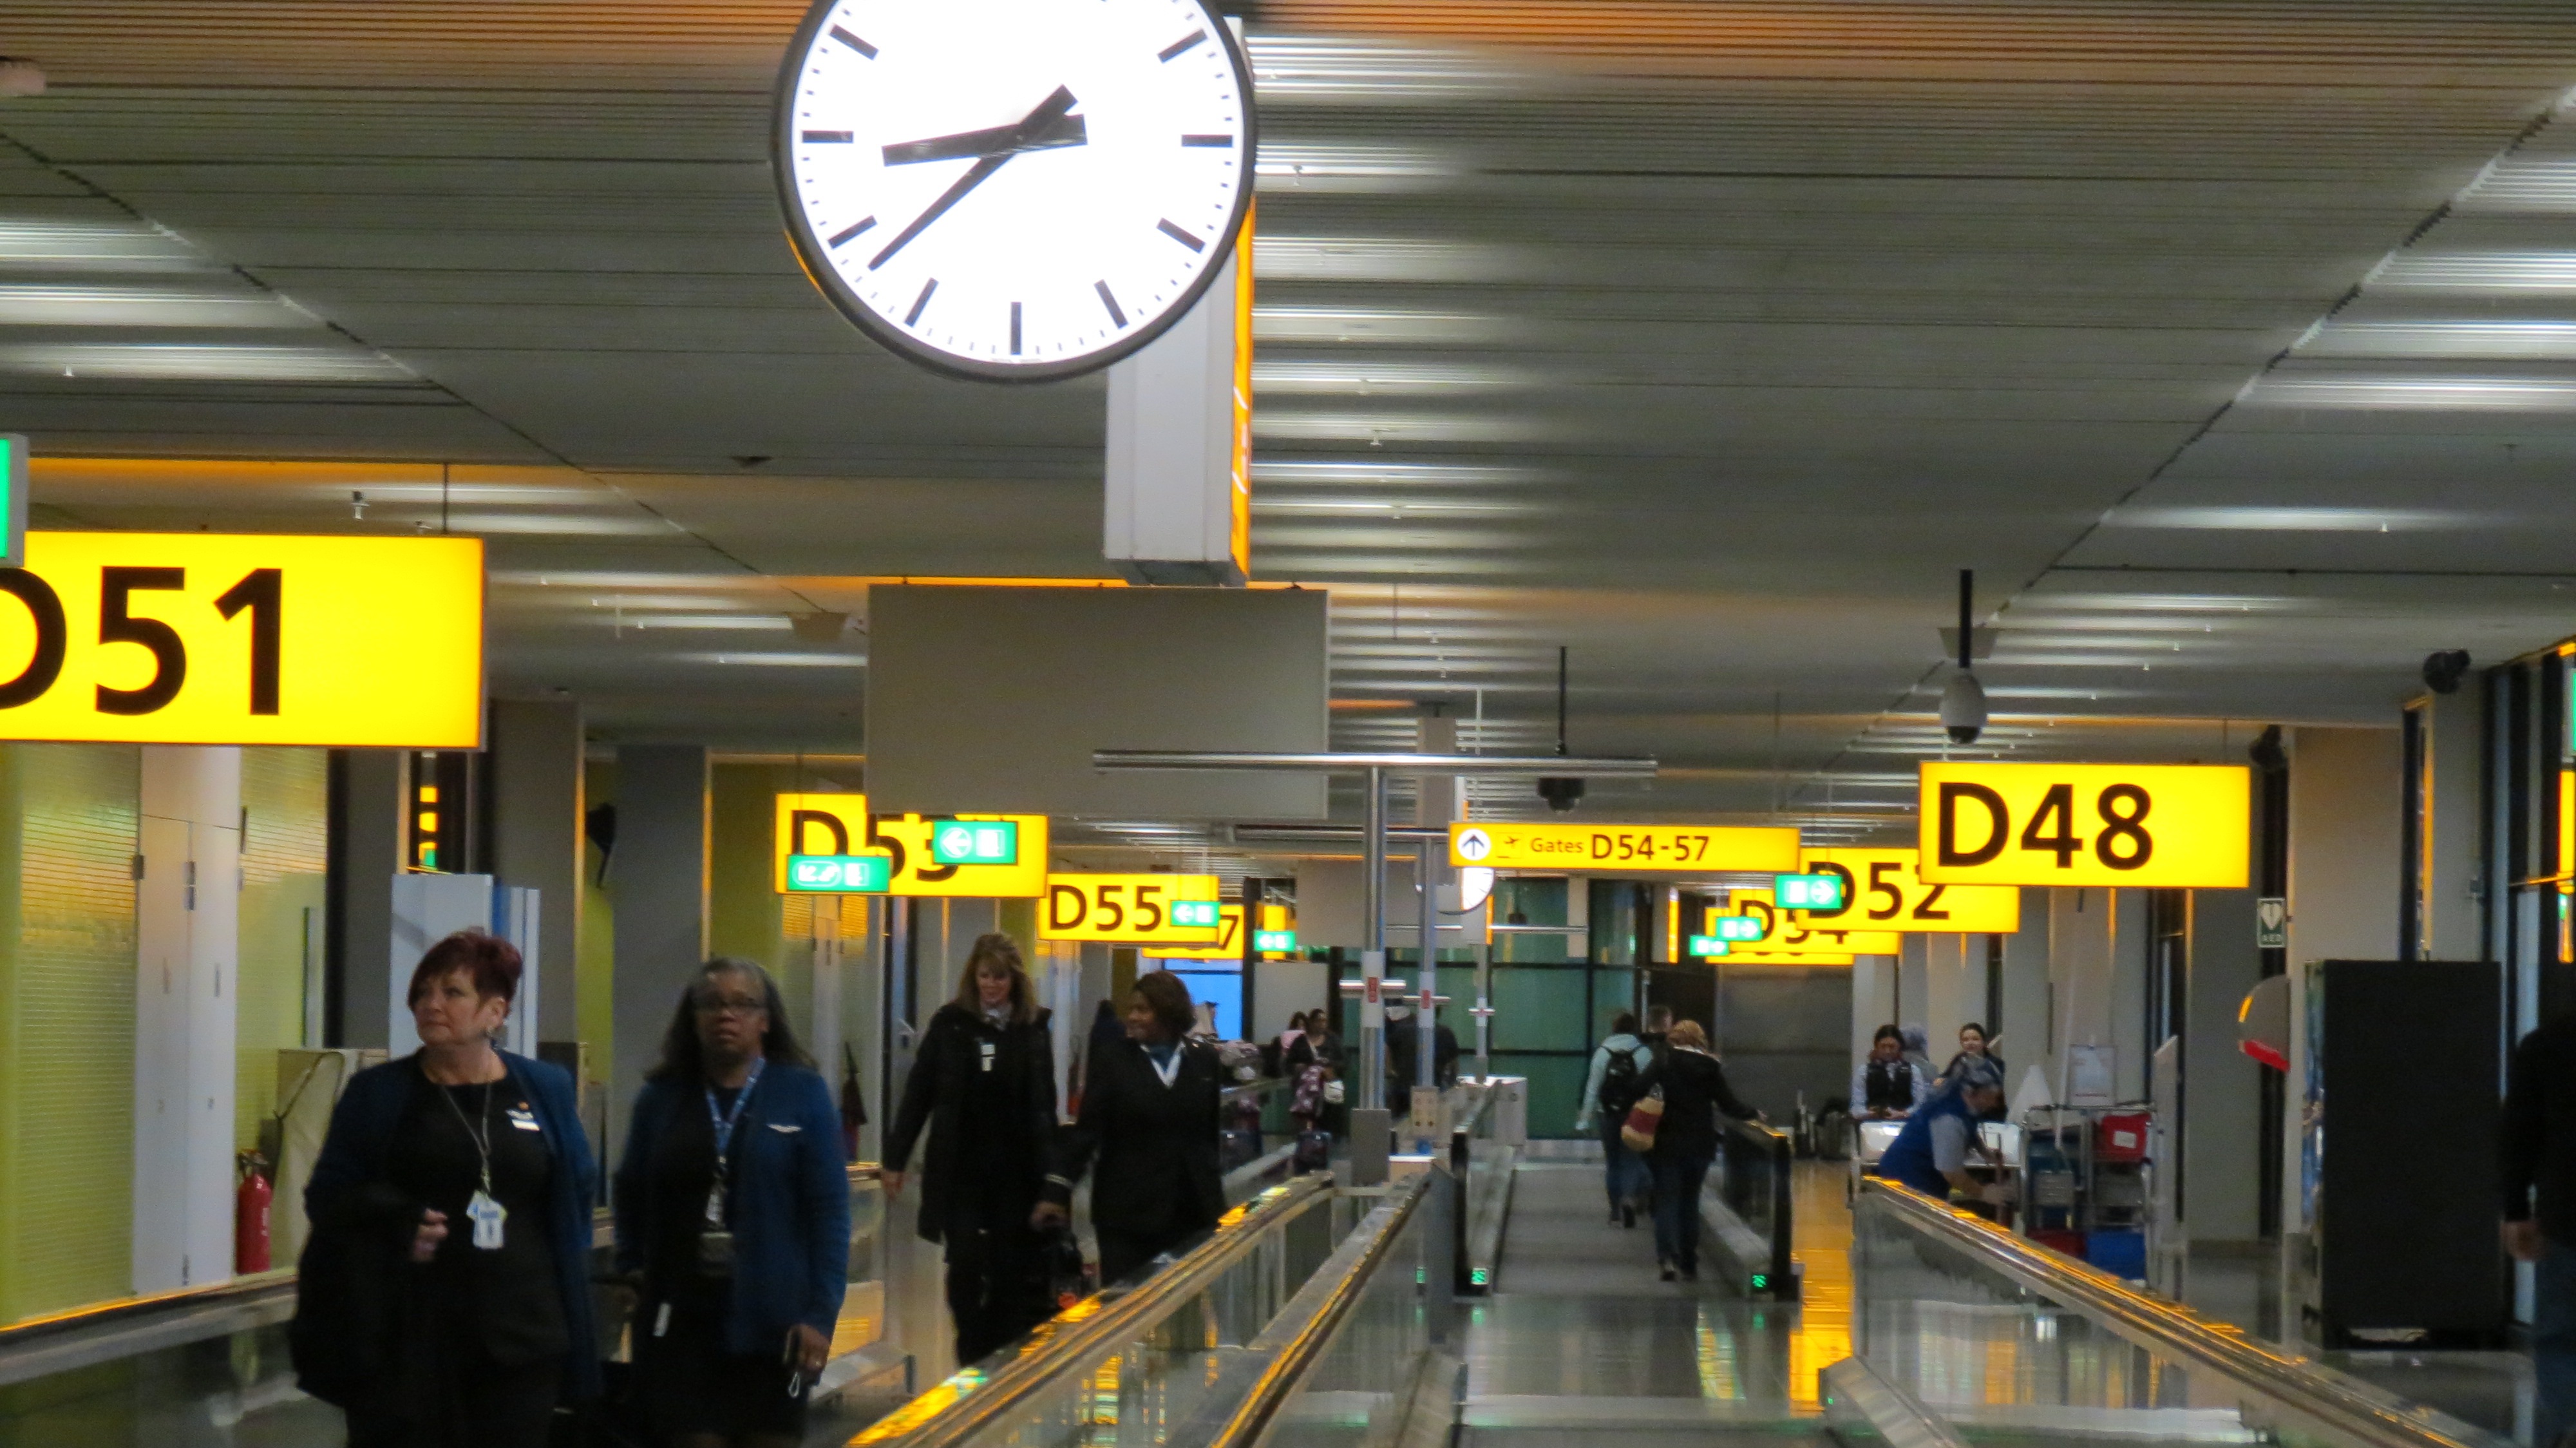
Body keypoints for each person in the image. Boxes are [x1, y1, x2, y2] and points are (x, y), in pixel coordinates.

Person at [292, 930, 598, 1448]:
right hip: (410, 1335)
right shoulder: (379, 1093)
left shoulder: (543, 1087)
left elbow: (576, 1188)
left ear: (494, 1012)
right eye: (423, 992)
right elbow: (328, 1195)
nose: (431, 1004)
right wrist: (395, 1219)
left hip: (520, 1333)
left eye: (452, 992)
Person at [614, 958, 849, 1448]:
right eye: (713, 1004)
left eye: (743, 1004)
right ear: (693, 1017)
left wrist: (820, 1315)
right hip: (680, 1329)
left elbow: (829, 1213)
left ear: (766, 1019)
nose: (727, 1015)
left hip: (776, 1330)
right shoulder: (661, 1098)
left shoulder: (801, 1094)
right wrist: (632, 1266)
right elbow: (631, 1191)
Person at [884, 934, 1060, 1366]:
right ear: (973, 977)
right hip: (961, 1173)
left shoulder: (1031, 1030)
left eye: (1000, 977)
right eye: (985, 975)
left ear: (1014, 980)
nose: (991, 985)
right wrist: (895, 1157)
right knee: (962, 1268)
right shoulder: (951, 1026)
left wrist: (1054, 1183)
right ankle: (971, 1348)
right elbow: (919, 1094)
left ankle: (1004, 1356)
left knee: (1009, 1272)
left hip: (1015, 1177)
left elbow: (1043, 1108)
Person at [1037, 970, 1223, 1286]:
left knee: (1184, 1302)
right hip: (1127, 1212)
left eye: (1143, 1010)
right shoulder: (1114, 1061)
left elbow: (1209, 1133)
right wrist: (1056, 1190)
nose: (1132, 1018)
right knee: (1125, 1304)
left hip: (1190, 1207)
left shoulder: (1203, 1060)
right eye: (1131, 1010)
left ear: (1167, 1013)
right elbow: (1087, 1131)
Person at [1634, 1020, 1759, 1282]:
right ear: (1699, 1039)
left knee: (1667, 1199)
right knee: (1690, 1201)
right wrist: (1753, 1113)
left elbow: (1637, 1087)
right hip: (1699, 1144)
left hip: (1667, 1142)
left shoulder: (1663, 1061)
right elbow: (1728, 1104)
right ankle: (1689, 1260)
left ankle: (1667, 1258)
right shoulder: (1710, 1067)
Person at [2503, 1012, 2576, 1447]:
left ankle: (2571, 1424)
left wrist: (2515, 1209)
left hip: (2568, 1213)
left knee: (2562, 1337)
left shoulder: (2548, 1044)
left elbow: (2519, 1133)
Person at [1875, 1059, 2010, 1210]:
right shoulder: (1948, 1120)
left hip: (1923, 1174)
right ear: (1974, 1092)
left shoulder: (1962, 1099)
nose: (1994, 1103)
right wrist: (1984, 1193)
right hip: (1908, 1177)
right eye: (1992, 1096)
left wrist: (1986, 1153)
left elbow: (1969, 1128)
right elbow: (1952, 1173)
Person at [1576, 1013, 1655, 1226]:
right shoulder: (1644, 1053)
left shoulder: (1602, 1053)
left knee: (1613, 1162)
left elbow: (1592, 1089)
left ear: (1614, 1028)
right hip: (1635, 1113)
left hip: (1607, 1114)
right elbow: (1652, 1088)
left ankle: (1614, 1212)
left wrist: (1583, 1121)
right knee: (1632, 1158)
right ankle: (1629, 1199)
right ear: (1635, 1029)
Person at [1852, 1024, 1929, 1119]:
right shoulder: (1864, 1071)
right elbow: (1856, 1107)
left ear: (1899, 1047)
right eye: (1883, 1046)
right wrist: (1869, 1113)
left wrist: (1903, 1114)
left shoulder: (1913, 1071)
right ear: (1876, 1047)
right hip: (1871, 1124)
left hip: (1904, 1124)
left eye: (1892, 1047)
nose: (1887, 1051)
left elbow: (1921, 1105)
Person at [1385, 1002, 1461, 1095]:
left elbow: (1387, 1058)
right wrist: (1451, 1083)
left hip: (1401, 1088)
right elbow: (1454, 1065)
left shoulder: (1400, 1031)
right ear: (1438, 1014)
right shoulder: (1446, 1033)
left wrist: (1392, 1075)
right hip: (1435, 1087)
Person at [1940, 1023, 2006, 1101]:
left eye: (1975, 1039)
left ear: (1984, 1041)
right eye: (1965, 1040)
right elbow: (1946, 1076)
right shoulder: (1959, 1060)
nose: (1970, 1043)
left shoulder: (1995, 1064)